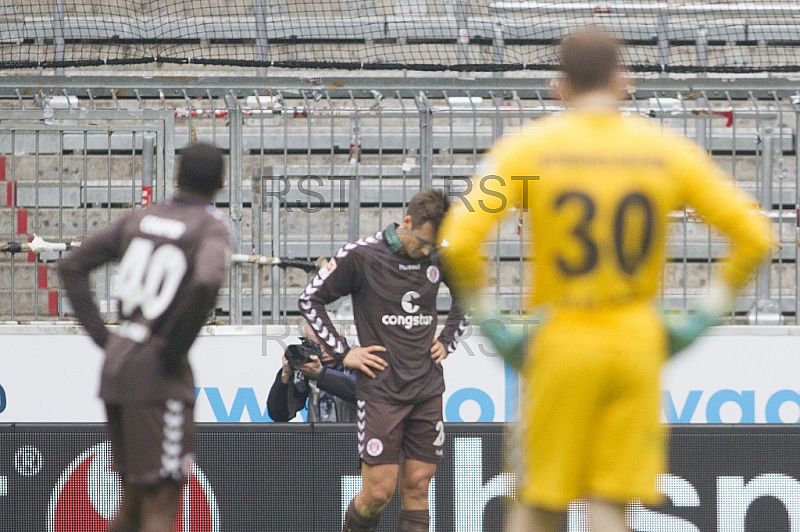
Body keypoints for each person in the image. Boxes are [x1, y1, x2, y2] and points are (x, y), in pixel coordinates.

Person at [438, 28, 775, 532]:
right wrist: (699, 318)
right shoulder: (664, 152)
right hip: (637, 343)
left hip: (561, 341)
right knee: (611, 508)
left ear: (560, 87)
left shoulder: (529, 152)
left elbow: (459, 237)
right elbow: (754, 233)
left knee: (539, 501)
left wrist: (493, 324)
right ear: (624, 82)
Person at [58, 143, 234, 532]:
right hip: (157, 373)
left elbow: (72, 265)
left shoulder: (141, 217)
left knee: (133, 501)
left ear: (176, 176)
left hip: (119, 363)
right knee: (161, 500)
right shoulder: (211, 226)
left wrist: (104, 338)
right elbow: (206, 279)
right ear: (222, 182)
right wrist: (174, 347)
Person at [298, 188, 467, 532]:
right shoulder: (362, 256)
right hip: (381, 391)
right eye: (422, 242)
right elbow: (310, 299)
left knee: (418, 485)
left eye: (432, 247)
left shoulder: (441, 255)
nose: (426, 252)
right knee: (378, 492)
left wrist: (448, 339)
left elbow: (470, 295)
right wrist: (345, 352)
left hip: (426, 386)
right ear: (407, 222)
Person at [267, 322, 357, 422]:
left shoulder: (358, 359)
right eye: (314, 345)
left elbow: (360, 391)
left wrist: (321, 374)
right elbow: (279, 415)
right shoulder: (308, 370)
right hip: (317, 436)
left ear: (340, 339)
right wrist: (285, 377)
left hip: (355, 435)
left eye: (326, 342)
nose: (322, 350)